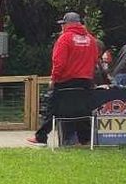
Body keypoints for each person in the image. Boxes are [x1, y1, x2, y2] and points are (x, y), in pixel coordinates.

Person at [32, 11, 101, 145]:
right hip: (85, 82)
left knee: (52, 108)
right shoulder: (91, 40)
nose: (61, 27)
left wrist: (54, 78)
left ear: (67, 24)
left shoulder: (64, 38)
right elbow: (94, 61)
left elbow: (59, 62)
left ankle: (41, 137)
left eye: (63, 24)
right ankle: (86, 140)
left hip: (65, 81)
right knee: (83, 110)